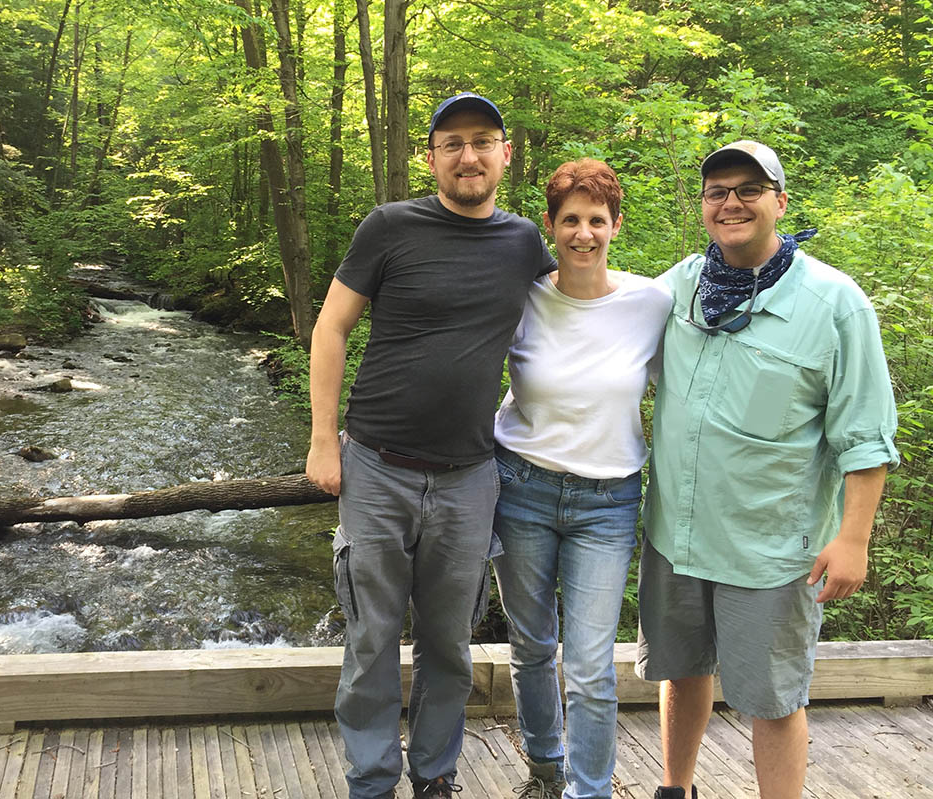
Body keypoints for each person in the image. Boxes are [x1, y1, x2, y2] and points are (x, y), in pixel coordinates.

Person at [305, 92, 556, 799]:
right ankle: (374, 779)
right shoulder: (388, 228)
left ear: (506, 153)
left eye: (483, 141)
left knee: (450, 642)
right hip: (376, 465)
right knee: (371, 636)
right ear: (432, 157)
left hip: (472, 476)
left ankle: (435, 775)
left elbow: (577, 321)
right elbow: (330, 330)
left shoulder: (523, 245)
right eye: (453, 144)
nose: (468, 155)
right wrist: (324, 441)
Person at [636, 140, 898, 799]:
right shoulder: (677, 290)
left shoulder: (836, 305)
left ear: (780, 201)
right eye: (717, 191)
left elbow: (866, 435)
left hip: (772, 548)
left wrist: (853, 539)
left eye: (749, 189)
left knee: (774, 697)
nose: (732, 202)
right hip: (678, 535)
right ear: (703, 207)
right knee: (681, 668)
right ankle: (677, 787)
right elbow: (600, 352)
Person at [490, 159, 672, 799]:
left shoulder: (652, 302)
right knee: (531, 643)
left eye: (597, 219)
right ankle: (544, 766)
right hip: (521, 489)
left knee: (592, 664)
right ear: (551, 224)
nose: (584, 233)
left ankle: (588, 790)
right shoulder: (523, 295)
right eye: (571, 219)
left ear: (616, 225)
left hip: (609, 502)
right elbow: (463, 359)